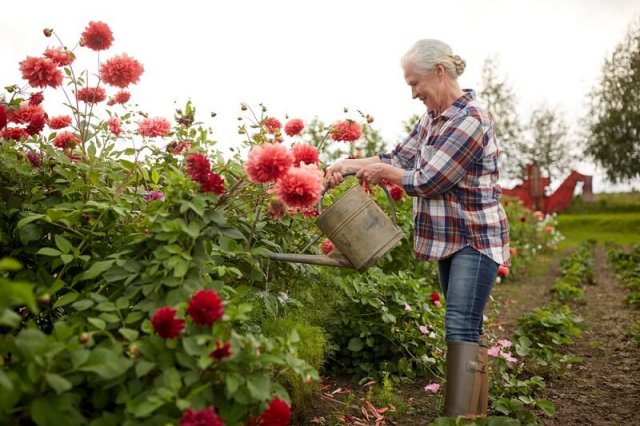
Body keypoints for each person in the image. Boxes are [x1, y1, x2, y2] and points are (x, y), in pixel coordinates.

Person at [326, 39, 510, 418]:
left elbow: (430, 179)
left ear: (439, 72)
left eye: (415, 83)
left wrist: (385, 173)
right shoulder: (432, 118)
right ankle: (471, 415)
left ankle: (458, 417)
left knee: (461, 323)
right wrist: (346, 164)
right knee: (463, 326)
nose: (413, 94)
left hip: (475, 239)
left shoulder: (470, 119)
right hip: (450, 241)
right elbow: (398, 157)